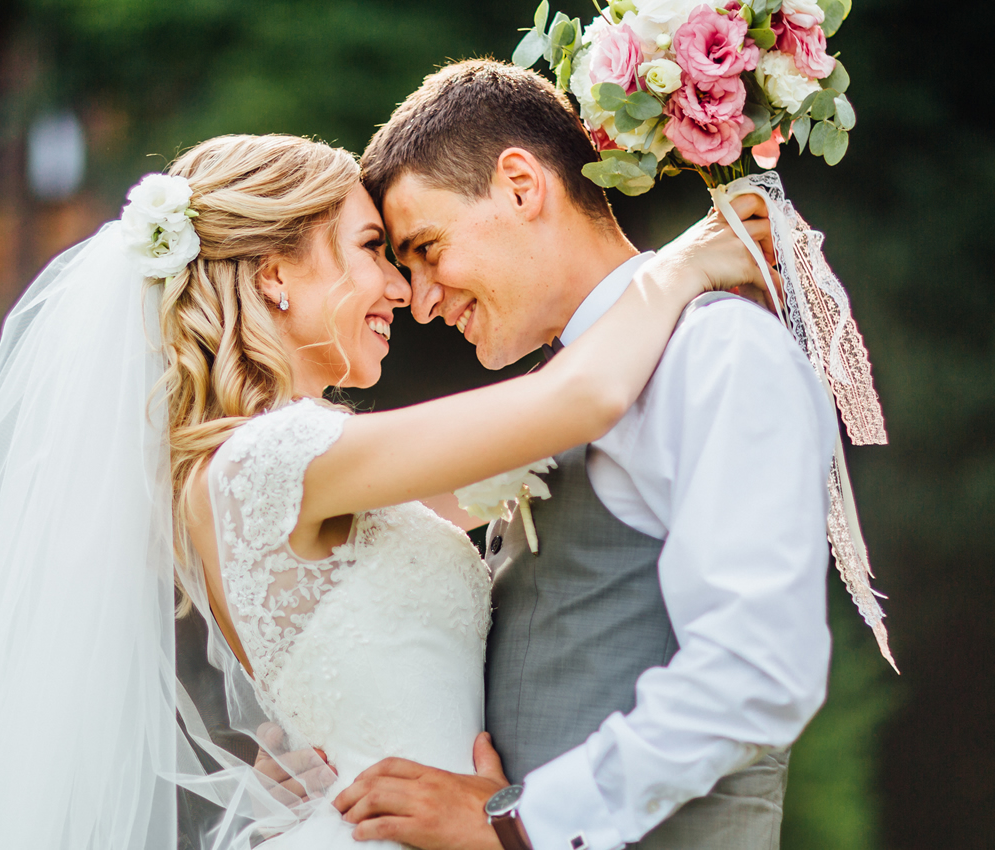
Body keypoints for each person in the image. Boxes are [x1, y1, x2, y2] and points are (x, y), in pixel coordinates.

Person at [0, 130, 773, 850]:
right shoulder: (279, 457)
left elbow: (508, 473)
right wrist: (685, 261)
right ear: (274, 276)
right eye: (369, 251)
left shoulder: (264, 469)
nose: (400, 290)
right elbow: (581, 396)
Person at [330, 60, 838, 850]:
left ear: (521, 186)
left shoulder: (715, 352)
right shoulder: (552, 397)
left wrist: (522, 822)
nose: (422, 301)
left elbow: (760, 668)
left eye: (426, 248)